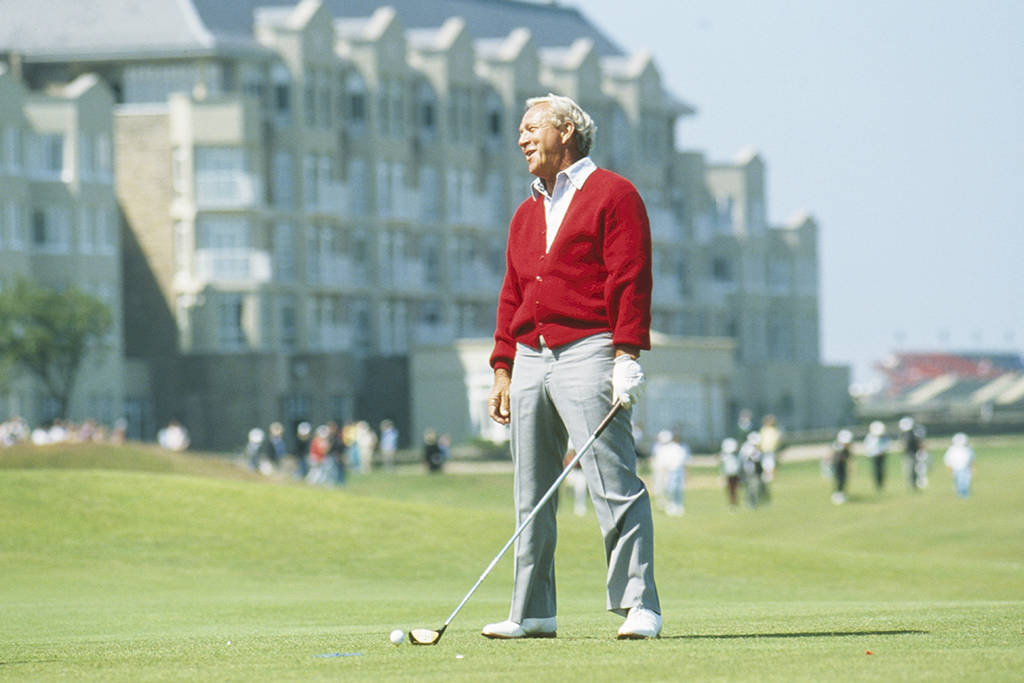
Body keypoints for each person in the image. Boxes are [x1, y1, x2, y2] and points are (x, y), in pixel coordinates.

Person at [483, 93, 660, 640]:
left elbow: (629, 276)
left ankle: (639, 605)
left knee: (612, 481)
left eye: (531, 127)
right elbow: (512, 293)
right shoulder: (525, 211)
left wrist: (626, 355)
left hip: (589, 349)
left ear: (566, 130)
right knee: (531, 491)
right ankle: (533, 612)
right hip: (531, 354)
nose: (521, 138)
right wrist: (502, 366)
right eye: (520, 130)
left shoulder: (614, 193)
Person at [651, 429, 689, 516]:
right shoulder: (660, 447)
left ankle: (677, 506)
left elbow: (682, 460)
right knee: (668, 489)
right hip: (668, 470)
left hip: (675, 470)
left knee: (676, 489)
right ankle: (670, 505)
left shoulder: (676, 447)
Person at [758, 415, 782, 504]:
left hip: (771, 450)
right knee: (765, 464)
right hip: (765, 450)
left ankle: (771, 476)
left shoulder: (774, 431)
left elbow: (776, 440)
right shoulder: (763, 430)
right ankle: (767, 476)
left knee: (771, 464)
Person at [943, 432, 975, 498]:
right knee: (958, 482)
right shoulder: (952, 449)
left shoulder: (968, 449)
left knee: (965, 482)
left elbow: (971, 459)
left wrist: (972, 467)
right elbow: (947, 460)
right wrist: (949, 468)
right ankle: (961, 495)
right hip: (956, 469)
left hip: (965, 468)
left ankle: (965, 495)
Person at [863, 420, 890, 491]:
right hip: (874, 456)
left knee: (882, 470)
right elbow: (868, 446)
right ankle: (877, 485)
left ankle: (881, 484)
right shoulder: (870, 437)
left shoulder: (884, 437)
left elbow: (886, 445)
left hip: (881, 455)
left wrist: (883, 451)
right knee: (875, 470)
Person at [830, 429, 854, 504]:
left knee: (843, 480)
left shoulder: (847, 448)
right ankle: (838, 494)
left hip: (842, 465)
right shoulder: (837, 446)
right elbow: (834, 457)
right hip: (837, 465)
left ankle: (841, 493)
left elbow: (849, 458)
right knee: (839, 480)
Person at [719, 437, 742, 509]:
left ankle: (734, 502)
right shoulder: (726, 456)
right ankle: (732, 503)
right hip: (729, 474)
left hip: (735, 474)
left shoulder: (736, 456)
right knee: (730, 490)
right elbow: (723, 467)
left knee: (735, 489)